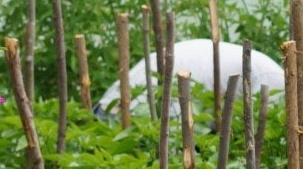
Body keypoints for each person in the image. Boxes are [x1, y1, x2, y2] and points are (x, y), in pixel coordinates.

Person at [95, 39, 284, 118]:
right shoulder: (275, 79)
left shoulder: (264, 68)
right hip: (136, 111)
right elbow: (267, 132)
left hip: (115, 103)